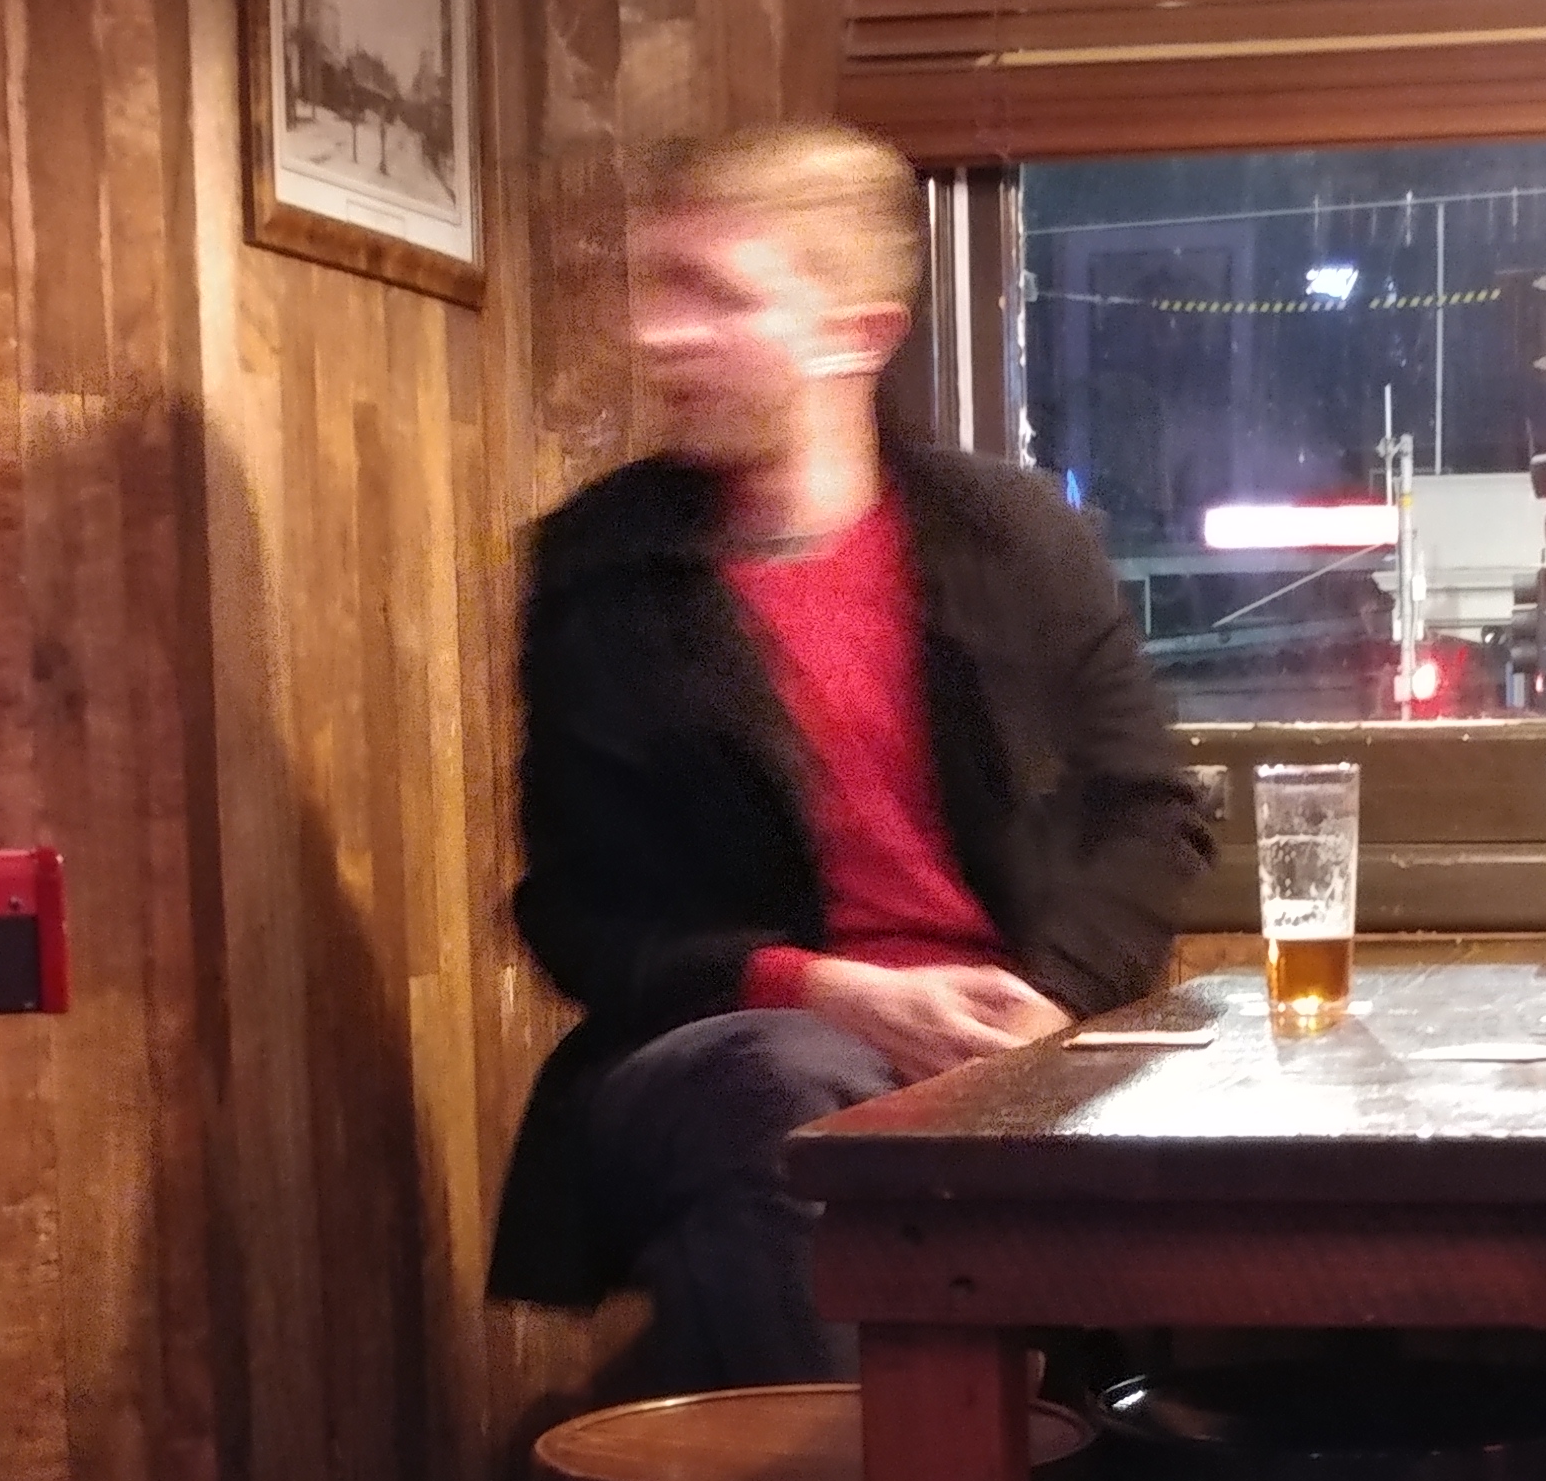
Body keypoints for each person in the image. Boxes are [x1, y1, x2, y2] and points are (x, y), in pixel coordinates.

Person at [489, 122, 1210, 1390]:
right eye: (654, 289)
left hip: (1017, 1041)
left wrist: (1046, 1002)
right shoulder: (601, 564)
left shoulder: (1011, 536)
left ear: (855, 334)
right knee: (785, 1090)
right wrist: (829, 992)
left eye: (713, 295)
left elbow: (1152, 815)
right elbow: (578, 916)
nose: (658, 334)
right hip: (726, 1045)